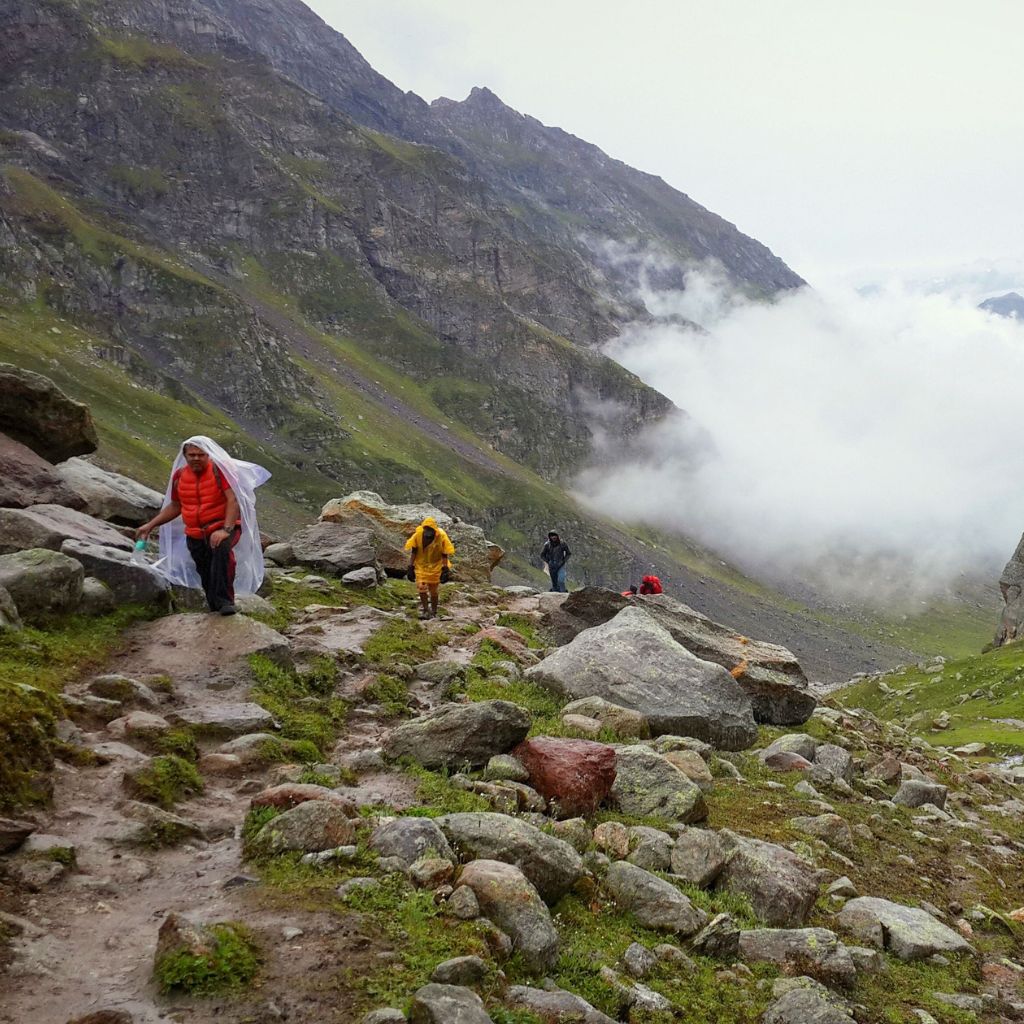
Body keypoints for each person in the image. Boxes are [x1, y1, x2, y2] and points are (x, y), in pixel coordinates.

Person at [137, 436, 270, 615]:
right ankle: (214, 606)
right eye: (192, 455)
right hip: (195, 532)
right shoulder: (179, 476)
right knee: (204, 569)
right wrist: (150, 525)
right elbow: (176, 506)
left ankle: (225, 603)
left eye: (201, 454)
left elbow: (233, 500)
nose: (196, 458)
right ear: (185, 455)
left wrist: (226, 530)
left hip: (222, 526)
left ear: (208, 455)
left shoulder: (219, 471)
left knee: (222, 556)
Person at [405, 516, 455, 620]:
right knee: (421, 587)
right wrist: (411, 566)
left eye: (430, 530)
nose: (428, 532)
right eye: (426, 529)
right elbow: (414, 551)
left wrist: (445, 569)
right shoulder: (417, 536)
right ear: (423, 529)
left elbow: (444, 554)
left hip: (436, 565)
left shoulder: (441, 537)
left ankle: (434, 611)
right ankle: (426, 610)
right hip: (421, 565)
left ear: (434, 530)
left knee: (434, 590)